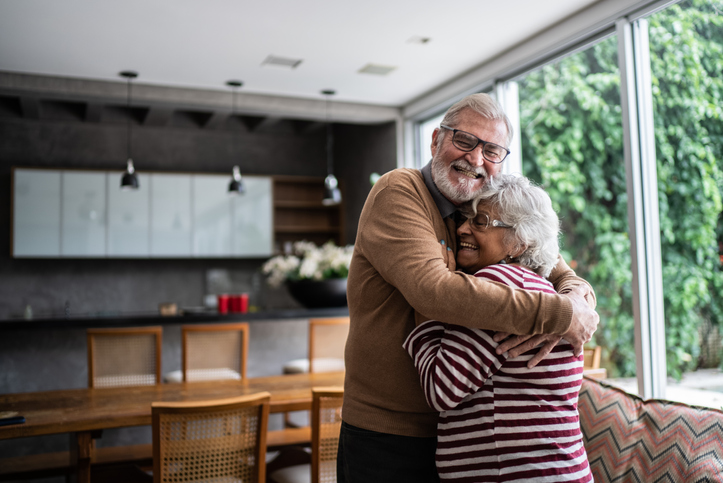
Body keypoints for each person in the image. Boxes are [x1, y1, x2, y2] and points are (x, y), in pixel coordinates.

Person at [338, 93, 598, 483]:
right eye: (465, 141)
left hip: (457, 433)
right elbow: (434, 291)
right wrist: (558, 315)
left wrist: (578, 298)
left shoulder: (481, 208)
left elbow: (551, 262)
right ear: (436, 142)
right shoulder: (400, 190)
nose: (476, 159)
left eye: (492, 150)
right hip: (388, 434)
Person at [403, 174, 592, 482]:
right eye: (464, 219)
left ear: (520, 242)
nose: (462, 229)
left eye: (480, 222)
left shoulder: (499, 282)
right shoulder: (541, 288)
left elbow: (441, 389)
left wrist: (426, 307)